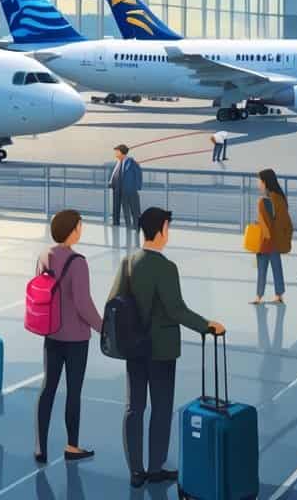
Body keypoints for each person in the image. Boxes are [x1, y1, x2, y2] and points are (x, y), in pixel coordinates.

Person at [108, 207, 225, 488]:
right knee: (161, 409)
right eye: (167, 228)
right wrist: (207, 325)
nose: (168, 233)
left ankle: (136, 470)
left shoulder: (127, 263)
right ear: (160, 231)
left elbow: (113, 302)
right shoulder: (166, 268)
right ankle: (155, 466)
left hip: (134, 350)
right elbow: (176, 310)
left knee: (134, 408)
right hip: (161, 351)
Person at [34, 209, 103, 464]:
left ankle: (40, 446)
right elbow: (83, 304)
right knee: (74, 392)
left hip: (51, 335)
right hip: (75, 339)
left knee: (48, 389)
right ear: (72, 230)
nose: (81, 230)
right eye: (79, 226)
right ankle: (72, 446)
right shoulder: (78, 262)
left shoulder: (43, 256)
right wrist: (104, 328)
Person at [249, 169, 292, 306]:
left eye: (259, 181)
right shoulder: (279, 198)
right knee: (276, 267)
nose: (258, 184)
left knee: (262, 269)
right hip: (275, 240)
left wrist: (260, 227)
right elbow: (281, 221)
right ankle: (279, 295)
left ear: (265, 182)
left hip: (266, 241)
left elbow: (267, 223)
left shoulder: (264, 201)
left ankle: (259, 296)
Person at [108, 145, 142, 228]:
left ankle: (136, 226)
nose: (115, 153)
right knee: (122, 208)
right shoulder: (118, 162)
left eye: (117, 151)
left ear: (122, 152)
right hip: (118, 188)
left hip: (129, 189)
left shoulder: (131, 162)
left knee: (133, 209)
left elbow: (138, 174)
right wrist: (111, 182)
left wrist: (137, 187)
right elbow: (114, 174)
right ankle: (121, 225)